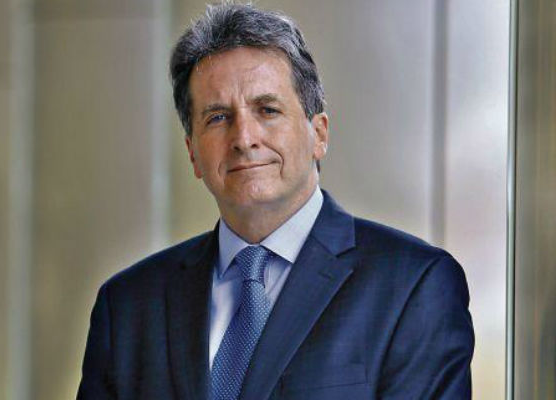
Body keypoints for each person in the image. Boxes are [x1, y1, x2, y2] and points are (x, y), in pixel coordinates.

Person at [77, 3, 474, 400]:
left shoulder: (414, 286)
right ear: (193, 153)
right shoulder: (127, 306)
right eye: (218, 117)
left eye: (267, 110)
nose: (244, 138)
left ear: (319, 134)